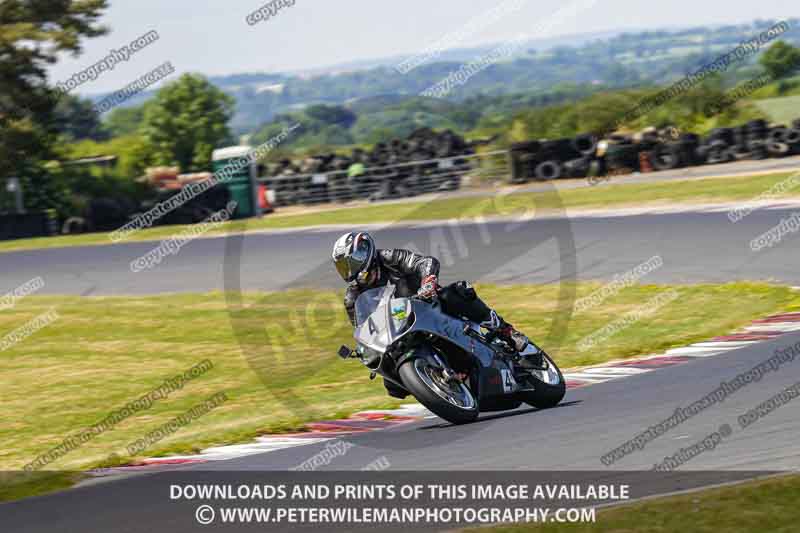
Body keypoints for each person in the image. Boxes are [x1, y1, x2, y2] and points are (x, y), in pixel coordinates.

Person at [331, 231, 542, 367]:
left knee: (457, 292)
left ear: (365, 252)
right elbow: (363, 329)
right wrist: (365, 349)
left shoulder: (388, 257)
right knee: (389, 377)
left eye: (351, 262)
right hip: (400, 330)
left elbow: (424, 262)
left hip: (429, 304)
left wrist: (428, 282)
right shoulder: (352, 298)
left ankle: (507, 332)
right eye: (343, 267)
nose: (349, 270)